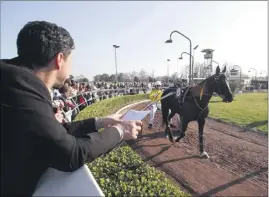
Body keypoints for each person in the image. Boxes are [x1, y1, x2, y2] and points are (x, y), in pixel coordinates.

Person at [1, 21, 142, 196]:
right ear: (60, 59)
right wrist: (120, 131)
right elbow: (71, 154)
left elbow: (53, 133)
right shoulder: (22, 89)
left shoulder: (15, 81)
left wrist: (101, 122)